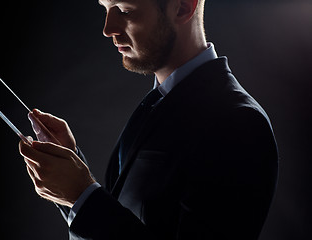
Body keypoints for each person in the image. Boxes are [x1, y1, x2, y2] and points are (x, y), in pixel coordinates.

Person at [19, 0, 279, 239]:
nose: (108, 29)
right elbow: (127, 218)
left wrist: (82, 196)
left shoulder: (238, 122)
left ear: (183, 7)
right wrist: (73, 178)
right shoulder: (160, 101)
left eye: (124, 10)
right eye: (105, 8)